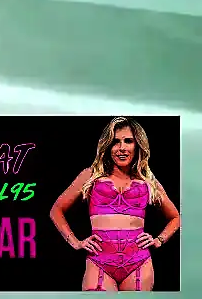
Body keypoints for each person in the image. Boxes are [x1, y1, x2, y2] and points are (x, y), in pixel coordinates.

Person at [49, 116, 181, 291]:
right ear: (108, 146)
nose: (122, 148)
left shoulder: (148, 181)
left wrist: (159, 240)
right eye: (115, 142)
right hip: (99, 262)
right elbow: (56, 210)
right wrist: (75, 242)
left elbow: (176, 217)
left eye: (128, 141)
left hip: (138, 263)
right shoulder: (91, 176)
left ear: (138, 145)